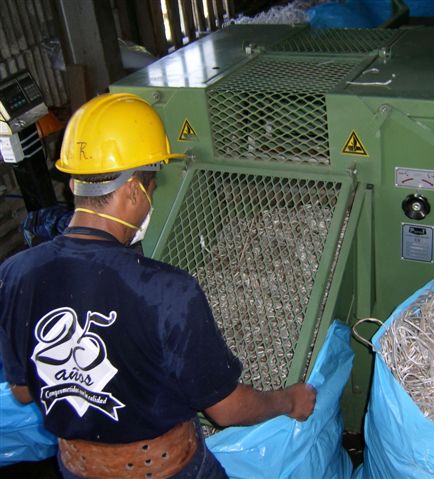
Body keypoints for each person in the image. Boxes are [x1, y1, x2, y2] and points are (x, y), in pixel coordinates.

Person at [0, 93, 316, 479]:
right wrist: (289, 399)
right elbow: (226, 409)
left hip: (77, 468)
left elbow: (23, 390)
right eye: (151, 186)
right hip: (165, 470)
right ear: (134, 189)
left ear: (73, 183)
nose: (150, 200)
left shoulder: (16, 272)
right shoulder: (167, 290)